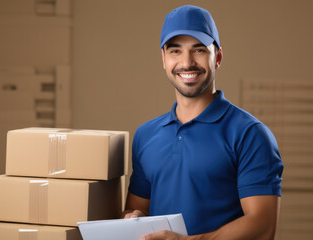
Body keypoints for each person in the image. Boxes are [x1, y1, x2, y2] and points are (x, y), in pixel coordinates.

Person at [122, 5, 284, 240]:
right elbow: (138, 209)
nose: (187, 63)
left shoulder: (250, 134)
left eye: (198, 50)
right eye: (175, 51)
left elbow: (263, 226)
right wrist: (131, 218)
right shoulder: (146, 135)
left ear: (217, 57)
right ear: (164, 59)